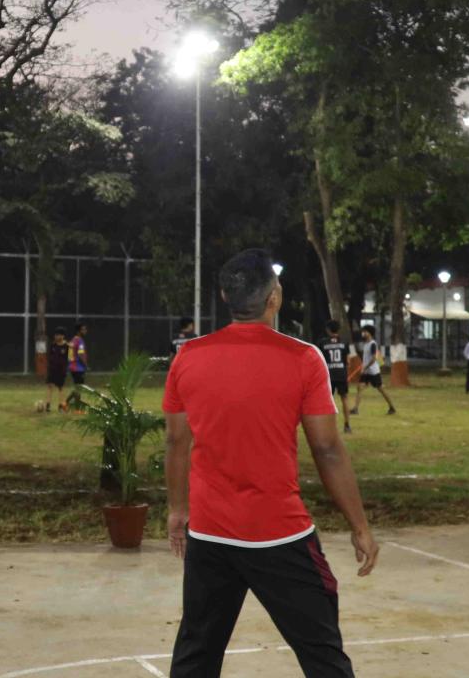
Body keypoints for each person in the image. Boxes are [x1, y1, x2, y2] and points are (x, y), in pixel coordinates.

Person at [162, 249, 379, 677]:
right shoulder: (303, 358)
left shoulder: (189, 356)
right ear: (274, 298)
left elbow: (175, 440)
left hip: (210, 533)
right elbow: (327, 449)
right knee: (323, 656)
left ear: (225, 296)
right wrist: (359, 526)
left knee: (196, 655)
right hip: (279, 533)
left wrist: (176, 509)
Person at [319, 322, 353, 434]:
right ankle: (347, 425)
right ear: (338, 330)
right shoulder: (344, 342)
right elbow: (348, 361)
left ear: (328, 330)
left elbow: (320, 360)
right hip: (341, 374)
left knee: (328, 400)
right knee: (344, 398)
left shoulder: (323, 343)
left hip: (329, 375)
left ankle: (329, 426)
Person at [357, 325, 396, 416]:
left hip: (373, 372)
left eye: (365, 332)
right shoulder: (366, 344)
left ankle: (392, 407)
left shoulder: (373, 344)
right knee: (360, 387)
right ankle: (355, 409)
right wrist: (364, 366)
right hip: (366, 371)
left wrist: (365, 367)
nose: (363, 333)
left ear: (370, 333)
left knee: (381, 389)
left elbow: (374, 358)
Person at [46, 327, 70, 412]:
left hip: (61, 370)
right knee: (50, 385)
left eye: (58, 335)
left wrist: (67, 368)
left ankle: (61, 406)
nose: (56, 337)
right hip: (52, 369)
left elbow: (69, 358)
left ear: (63, 336)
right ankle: (48, 405)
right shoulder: (53, 345)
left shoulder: (67, 346)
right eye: (55, 335)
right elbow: (50, 356)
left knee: (60, 387)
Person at [69, 322, 90, 387]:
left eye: (85, 329)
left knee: (78, 387)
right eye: (83, 330)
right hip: (78, 367)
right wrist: (86, 365)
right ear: (78, 331)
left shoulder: (73, 340)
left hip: (72, 366)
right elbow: (80, 355)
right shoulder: (79, 341)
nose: (85, 331)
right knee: (80, 387)